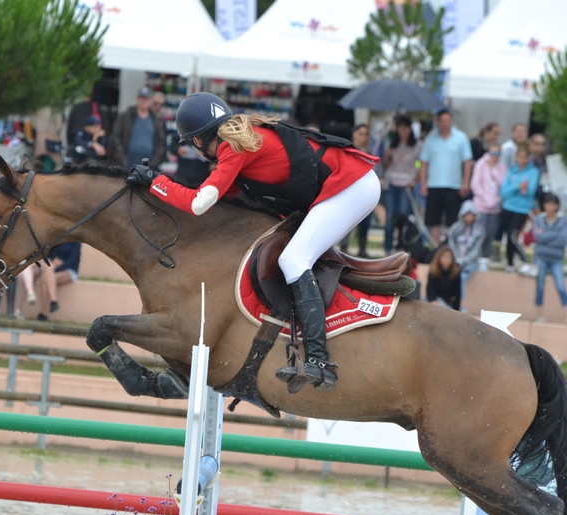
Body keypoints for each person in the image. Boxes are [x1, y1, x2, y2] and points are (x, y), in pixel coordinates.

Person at [125, 92, 381, 390]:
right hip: (348, 183)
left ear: (197, 140)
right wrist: (158, 186)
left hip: (353, 185)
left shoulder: (233, 146)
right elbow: (215, 199)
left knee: (294, 259)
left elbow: (198, 204)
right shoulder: (240, 142)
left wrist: (156, 181)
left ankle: (319, 360)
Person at [419, 109, 473, 246]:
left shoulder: (461, 138)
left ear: (451, 121)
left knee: (453, 221)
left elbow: (467, 161)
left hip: (454, 186)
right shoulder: (430, 139)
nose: (444, 124)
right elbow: (424, 163)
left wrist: (466, 182)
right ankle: (435, 249)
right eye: (442, 121)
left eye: (447, 121)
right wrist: (423, 184)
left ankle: (451, 248)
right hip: (434, 185)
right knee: (433, 221)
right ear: (438, 122)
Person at [382, 115, 421, 254]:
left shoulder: (416, 145)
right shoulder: (390, 142)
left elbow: (419, 164)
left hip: (406, 184)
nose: (403, 131)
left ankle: (402, 249)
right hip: (391, 182)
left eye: (406, 128)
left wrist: (415, 180)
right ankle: (387, 249)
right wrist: (387, 156)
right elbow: (385, 166)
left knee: (404, 217)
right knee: (390, 217)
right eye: (400, 128)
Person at [500, 145, 539, 275]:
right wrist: (518, 186)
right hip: (507, 207)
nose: (522, 159)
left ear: (528, 158)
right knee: (508, 236)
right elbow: (504, 192)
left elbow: (530, 191)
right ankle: (510, 264)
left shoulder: (533, 171)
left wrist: (515, 188)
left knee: (513, 234)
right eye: (519, 157)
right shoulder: (512, 170)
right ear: (516, 157)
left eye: (524, 157)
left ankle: (526, 260)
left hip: (521, 209)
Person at [339, 124, 375, 257]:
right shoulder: (348, 150)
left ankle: (362, 247)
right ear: (354, 134)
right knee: (348, 219)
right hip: (350, 189)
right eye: (361, 133)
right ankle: (344, 246)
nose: (363, 137)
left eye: (366, 134)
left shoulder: (369, 151)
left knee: (365, 219)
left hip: (365, 190)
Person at [108, 87, 166, 168]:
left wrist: (154, 162)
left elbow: (161, 143)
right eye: (141, 98)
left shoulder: (156, 120)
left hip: (148, 166)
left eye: (146, 99)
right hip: (127, 164)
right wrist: (123, 161)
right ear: (136, 99)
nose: (143, 101)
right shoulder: (125, 116)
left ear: (151, 101)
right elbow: (115, 137)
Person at [532, 193, 567, 323]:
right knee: (540, 287)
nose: (550, 207)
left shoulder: (563, 220)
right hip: (541, 257)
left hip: (556, 258)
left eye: (553, 204)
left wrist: (545, 235)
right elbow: (537, 237)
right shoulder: (539, 219)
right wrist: (554, 234)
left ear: (557, 205)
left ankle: (565, 315)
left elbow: (563, 239)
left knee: (561, 287)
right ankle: (539, 315)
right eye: (547, 204)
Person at [470, 143, 507, 260]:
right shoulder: (481, 164)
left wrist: (495, 173)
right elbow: (475, 184)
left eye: (498, 154)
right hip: (481, 206)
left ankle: (486, 258)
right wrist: (486, 199)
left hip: (495, 208)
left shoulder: (502, 167)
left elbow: (504, 186)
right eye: (493, 153)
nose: (495, 156)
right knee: (480, 235)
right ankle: (474, 257)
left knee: (491, 235)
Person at [447, 200, 484, 310]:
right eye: (467, 215)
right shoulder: (456, 228)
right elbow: (451, 244)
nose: (469, 217)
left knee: (461, 278)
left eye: (471, 215)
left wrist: (465, 260)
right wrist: (456, 258)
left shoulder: (479, 230)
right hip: (455, 260)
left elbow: (477, 249)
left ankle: (460, 304)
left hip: (470, 263)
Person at [32, 242, 81, 321]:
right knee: (46, 275)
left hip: (69, 270)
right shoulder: (58, 238)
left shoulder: (75, 242)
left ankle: (43, 312)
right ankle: (53, 301)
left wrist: (57, 266)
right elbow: (49, 255)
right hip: (52, 270)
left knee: (46, 276)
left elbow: (73, 261)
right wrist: (53, 265)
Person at [426, 246, 461, 310]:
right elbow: (430, 288)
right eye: (444, 257)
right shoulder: (433, 271)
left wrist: (456, 310)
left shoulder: (455, 273)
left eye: (449, 257)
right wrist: (433, 300)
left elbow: (457, 293)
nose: (446, 259)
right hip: (434, 301)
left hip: (447, 303)